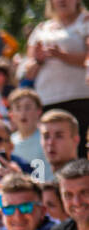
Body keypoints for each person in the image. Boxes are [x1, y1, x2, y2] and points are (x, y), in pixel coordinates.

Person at [24, 0, 89, 158]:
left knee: (79, 150)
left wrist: (62, 56)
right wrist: (38, 60)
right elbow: (28, 72)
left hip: (80, 99)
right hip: (48, 101)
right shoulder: (41, 29)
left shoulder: (85, 22)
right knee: (53, 152)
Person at [9, 89, 50, 171]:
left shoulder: (47, 139)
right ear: (11, 114)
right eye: (18, 108)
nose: (23, 113)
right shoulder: (9, 141)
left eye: (28, 107)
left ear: (39, 111)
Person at [40, 109, 82, 178]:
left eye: (59, 136)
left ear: (75, 140)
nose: (50, 143)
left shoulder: (85, 181)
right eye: (46, 137)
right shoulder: (37, 180)